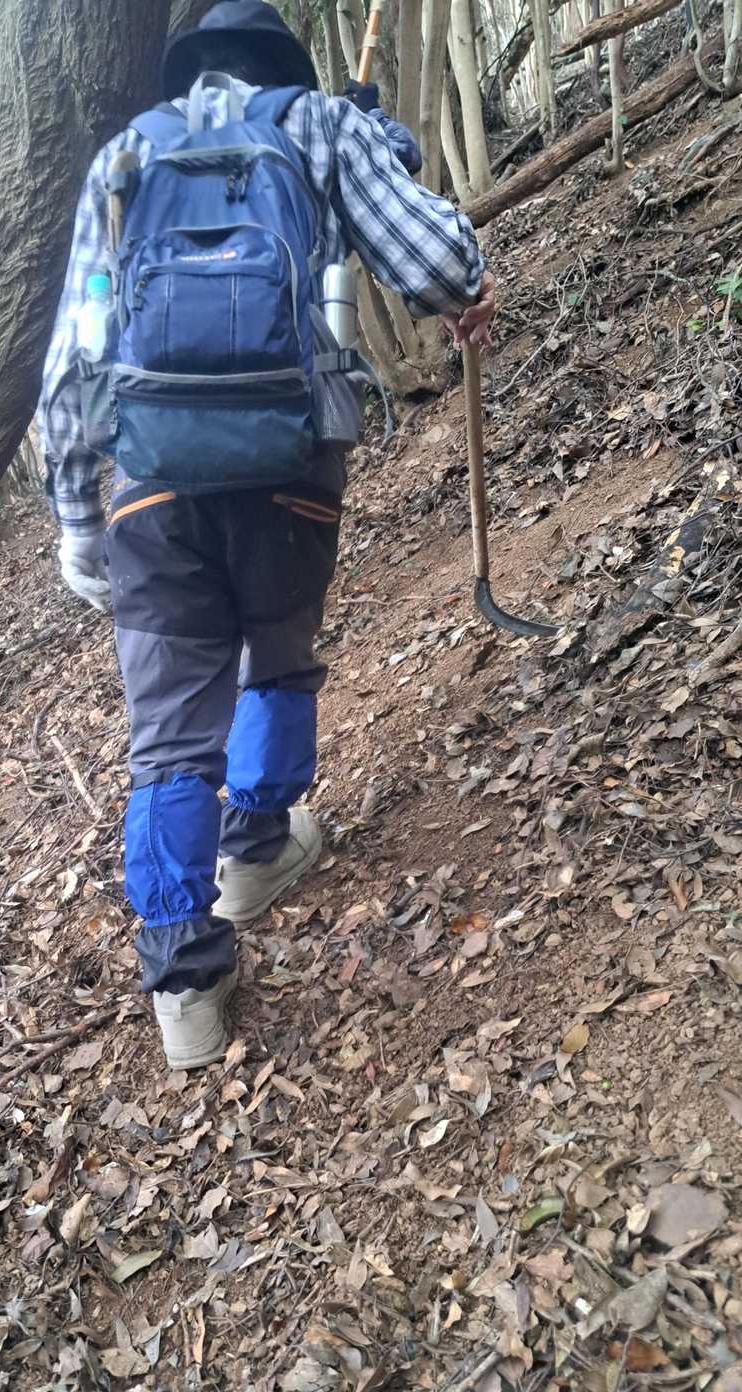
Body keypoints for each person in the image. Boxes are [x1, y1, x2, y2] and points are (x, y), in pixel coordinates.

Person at [38, 0, 495, 1071]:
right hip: (290, 467)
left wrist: (76, 516)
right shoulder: (318, 125)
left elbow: (76, 350)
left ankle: (185, 988)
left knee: (167, 736)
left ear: (192, 71)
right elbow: (435, 258)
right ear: (279, 65)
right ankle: (254, 850)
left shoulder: (125, 155)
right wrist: (436, 230)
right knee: (278, 654)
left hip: (150, 482)